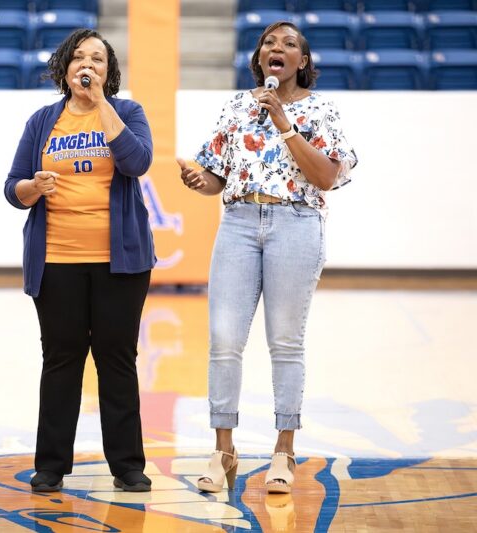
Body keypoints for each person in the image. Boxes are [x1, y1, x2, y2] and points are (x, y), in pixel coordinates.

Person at [177, 21, 357, 494]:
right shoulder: (237, 106)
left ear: (302, 62)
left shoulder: (322, 110)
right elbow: (217, 174)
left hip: (296, 224)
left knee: (285, 342)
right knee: (223, 339)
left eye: (290, 45)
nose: (277, 49)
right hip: (237, 223)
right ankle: (222, 451)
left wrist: (284, 123)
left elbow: (324, 176)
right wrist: (202, 182)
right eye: (269, 44)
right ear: (260, 59)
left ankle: (284, 450)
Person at [4, 29, 156, 493]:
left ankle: (127, 465)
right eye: (78, 58)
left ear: (108, 74)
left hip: (121, 262)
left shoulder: (127, 112)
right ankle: (51, 465)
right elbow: (14, 188)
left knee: (117, 359)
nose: (86, 65)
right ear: (64, 67)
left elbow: (137, 162)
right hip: (56, 260)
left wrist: (103, 105)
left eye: (98, 61)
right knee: (61, 359)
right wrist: (33, 188)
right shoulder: (42, 120)